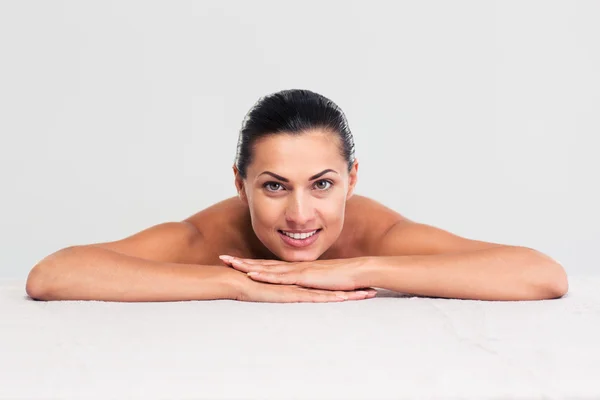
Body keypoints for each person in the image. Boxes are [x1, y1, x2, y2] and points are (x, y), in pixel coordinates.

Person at [25, 89, 569, 303]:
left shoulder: (377, 234)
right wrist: (234, 283)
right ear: (240, 185)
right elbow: (52, 274)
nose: (300, 214)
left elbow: (542, 274)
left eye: (323, 184)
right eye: (274, 186)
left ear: (353, 180)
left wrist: (359, 268)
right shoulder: (207, 238)